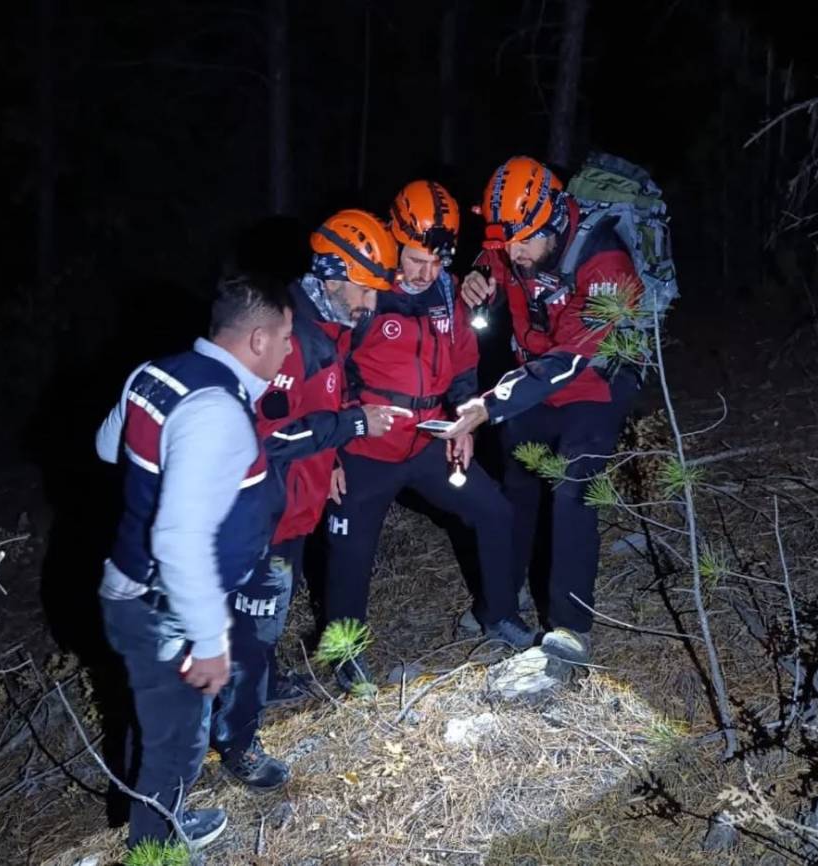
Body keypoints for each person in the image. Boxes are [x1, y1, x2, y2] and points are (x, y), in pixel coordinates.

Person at [95, 273, 292, 850]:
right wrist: (208, 640)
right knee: (176, 744)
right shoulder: (217, 413)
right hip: (162, 607)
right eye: (283, 337)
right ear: (257, 339)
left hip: (142, 591)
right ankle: (154, 850)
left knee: (166, 728)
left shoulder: (154, 374)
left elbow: (108, 446)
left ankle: (166, 820)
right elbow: (180, 540)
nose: (287, 350)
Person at [209, 209, 403, 786]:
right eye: (366, 288)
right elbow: (265, 436)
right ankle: (237, 741)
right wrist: (351, 427)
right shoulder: (290, 338)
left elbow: (314, 419)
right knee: (255, 623)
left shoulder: (333, 328)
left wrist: (333, 455)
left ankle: (261, 687)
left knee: (272, 607)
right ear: (333, 273)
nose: (372, 303)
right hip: (260, 511)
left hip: (295, 503)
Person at [323, 180, 534, 691]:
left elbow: (463, 358)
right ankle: (345, 655)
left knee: (495, 512)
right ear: (394, 237)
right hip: (364, 447)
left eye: (438, 261)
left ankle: (498, 612)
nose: (427, 272)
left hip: (426, 440)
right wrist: (327, 450)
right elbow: (325, 367)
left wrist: (462, 419)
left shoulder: (445, 289)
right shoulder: (364, 288)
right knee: (350, 552)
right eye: (418, 259)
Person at [443, 155, 643, 668]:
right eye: (507, 241)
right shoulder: (510, 241)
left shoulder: (606, 263)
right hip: (532, 381)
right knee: (518, 485)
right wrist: (473, 279)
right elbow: (488, 261)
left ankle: (571, 627)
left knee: (574, 489)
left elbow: (572, 358)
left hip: (594, 382)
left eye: (525, 240)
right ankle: (502, 600)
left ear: (556, 220)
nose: (515, 252)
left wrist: (490, 403)